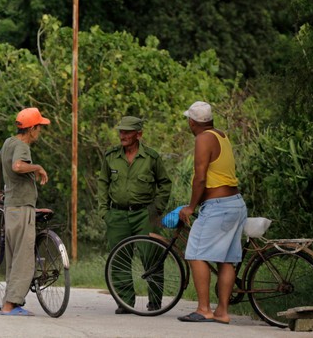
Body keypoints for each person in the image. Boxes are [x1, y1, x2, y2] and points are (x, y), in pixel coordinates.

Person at [177, 101, 247, 324]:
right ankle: (222, 312)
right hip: (235, 204)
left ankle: (204, 309)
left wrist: (190, 207)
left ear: (192, 122)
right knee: (226, 259)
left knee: (196, 254)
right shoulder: (221, 135)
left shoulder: (203, 138)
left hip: (218, 207)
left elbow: (200, 177)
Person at [97, 116, 172, 314]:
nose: (123, 135)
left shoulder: (151, 158)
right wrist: (104, 211)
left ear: (139, 134)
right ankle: (125, 302)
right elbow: (103, 182)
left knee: (151, 256)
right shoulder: (111, 156)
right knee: (119, 258)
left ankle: (155, 301)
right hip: (117, 214)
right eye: (121, 131)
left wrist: (156, 209)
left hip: (145, 215)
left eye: (127, 132)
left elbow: (164, 184)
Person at [0, 107, 50, 316]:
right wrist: (37, 167)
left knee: (14, 257)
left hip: (10, 208)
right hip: (22, 207)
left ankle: (9, 301)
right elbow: (17, 166)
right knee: (24, 259)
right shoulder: (23, 146)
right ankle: (10, 305)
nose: (40, 132)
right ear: (31, 129)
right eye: (39, 128)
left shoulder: (8, 142)